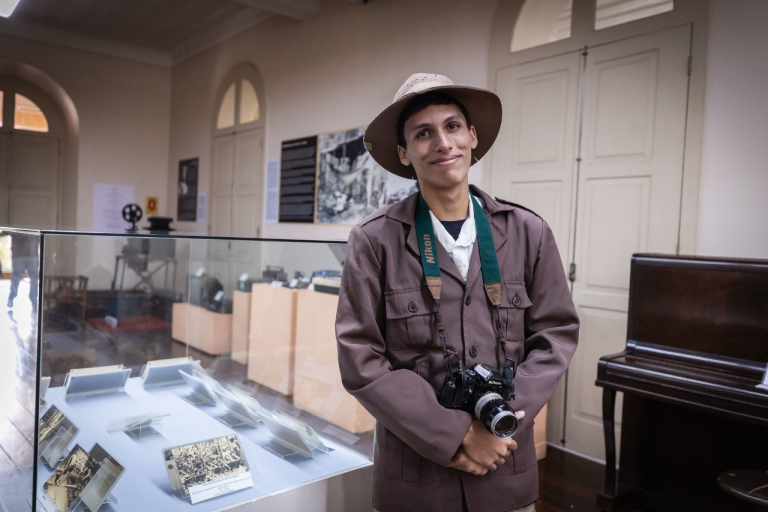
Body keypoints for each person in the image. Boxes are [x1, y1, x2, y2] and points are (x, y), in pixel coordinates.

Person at [335, 73, 579, 512]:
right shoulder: (373, 240)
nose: (442, 143)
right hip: (416, 480)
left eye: (452, 126)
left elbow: (556, 336)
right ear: (405, 153)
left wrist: (497, 429)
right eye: (423, 133)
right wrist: (459, 436)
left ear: (473, 136)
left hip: (506, 471)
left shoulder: (529, 232)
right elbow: (361, 359)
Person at [1, 230, 39, 309]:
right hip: (21, 254)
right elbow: (5, 231)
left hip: (30, 254)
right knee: (18, 276)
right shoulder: (16, 221)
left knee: (33, 277)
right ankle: (12, 297)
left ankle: (33, 301)